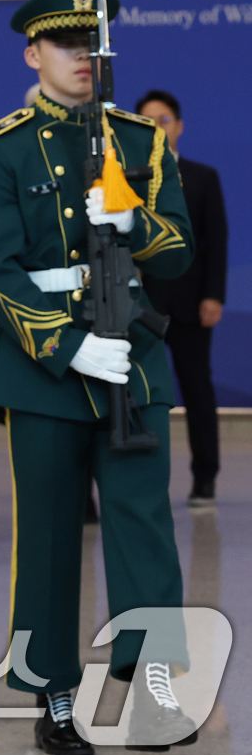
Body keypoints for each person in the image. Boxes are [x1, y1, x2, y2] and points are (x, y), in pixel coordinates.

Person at [0, 0, 198, 755]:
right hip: (46, 373)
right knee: (49, 537)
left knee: (144, 531)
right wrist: (67, 347)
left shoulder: (141, 140)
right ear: (32, 54)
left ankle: (155, 687)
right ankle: (55, 695)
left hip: (132, 360)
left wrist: (135, 220)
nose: (82, 59)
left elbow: (178, 251)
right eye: (65, 45)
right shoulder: (0, 147)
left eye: (91, 45)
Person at [135, 89, 227, 507]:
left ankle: (205, 477)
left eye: (164, 120)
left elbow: (216, 242)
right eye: (147, 122)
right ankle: (140, 479)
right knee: (140, 395)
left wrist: (214, 296)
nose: (157, 128)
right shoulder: (128, 178)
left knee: (197, 392)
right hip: (141, 306)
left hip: (191, 307)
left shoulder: (203, 177)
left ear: (180, 126)